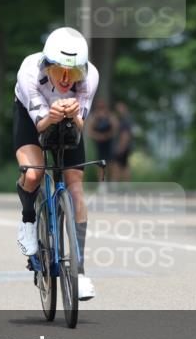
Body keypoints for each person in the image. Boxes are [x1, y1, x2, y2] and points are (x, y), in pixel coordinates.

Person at [13, 27, 99, 301]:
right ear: (47, 64)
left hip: (68, 119)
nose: (65, 79)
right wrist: (52, 115)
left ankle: (81, 272)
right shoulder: (29, 72)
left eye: (73, 73)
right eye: (60, 70)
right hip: (33, 117)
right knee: (34, 173)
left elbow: (82, 125)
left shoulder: (91, 76)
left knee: (75, 188)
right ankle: (28, 220)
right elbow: (39, 124)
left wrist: (73, 115)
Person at [87, 98, 117, 167]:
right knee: (100, 162)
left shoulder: (110, 116)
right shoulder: (94, 117)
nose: (101, 109)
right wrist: (99, 136)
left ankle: (111, 177)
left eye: (102, 107)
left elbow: (115, 128)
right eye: (99, 107)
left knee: (111, 162)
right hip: (99, 143)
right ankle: (101, 177)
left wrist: (107, 135)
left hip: (109, 142)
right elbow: (90, 131)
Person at [111, 101, 134, 182]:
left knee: (117, 166)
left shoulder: (125, 120)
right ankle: (125, 186)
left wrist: (121, 147)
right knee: (124, 166)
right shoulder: (124, 119)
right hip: (124, 147)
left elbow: (125, 136)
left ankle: (117, 185)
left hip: (122, 147)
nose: (118, 110)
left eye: (120, 108)